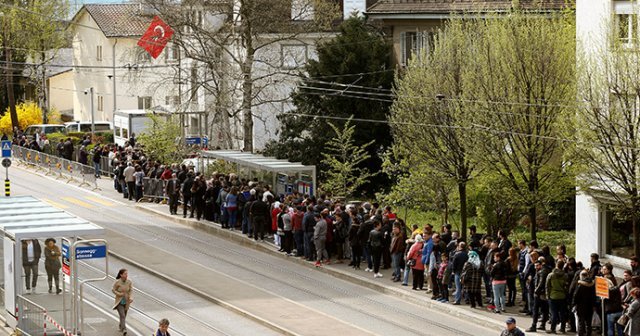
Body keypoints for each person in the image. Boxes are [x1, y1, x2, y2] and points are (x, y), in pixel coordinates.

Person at [546, 260, 569, 333]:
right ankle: (563, 328)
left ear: (556, 265)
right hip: (562, 296)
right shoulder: (565, 275)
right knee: (562, 313)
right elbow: (566, 286)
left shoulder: (551, 275)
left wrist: (548, 295)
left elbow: (547, 286)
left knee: (554, 313)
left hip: (553, 295)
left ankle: (553, 328)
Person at [572, 270, 595, 336]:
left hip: (581, 306)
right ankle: (588, 334)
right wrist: (594, 305)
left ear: (581, 276)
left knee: (581, 323)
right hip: (590, 307)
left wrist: (574, 304)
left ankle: (580, 334)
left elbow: (576, 296)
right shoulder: (592, 285)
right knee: (588, 323)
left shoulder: (580, 285)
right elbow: (594, 296)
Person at [112, 269, 133, 335]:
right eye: (125, 274)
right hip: (119, 302)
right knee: (122, 315)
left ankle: (121, 326)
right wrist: (119, 294)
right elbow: (113, 290)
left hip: (126, 302)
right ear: (121, 275)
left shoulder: (129, 282)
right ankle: (124, 329)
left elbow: (131, 290)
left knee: (124, 316)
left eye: (127, 274)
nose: (126, 275)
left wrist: (131, 297)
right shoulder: (117, 282)